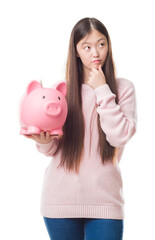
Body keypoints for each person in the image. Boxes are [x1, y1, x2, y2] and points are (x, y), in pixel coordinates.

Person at [25, 17, 137, 240]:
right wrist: (44, 141)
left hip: (105, 201)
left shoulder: (123, 88)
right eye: (87, 46)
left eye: (101, 44)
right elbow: (53, 149)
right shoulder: (62, 92)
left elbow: (119, 136)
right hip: (60, 201)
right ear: (76, 51)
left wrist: (102, 89)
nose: (95, 52)